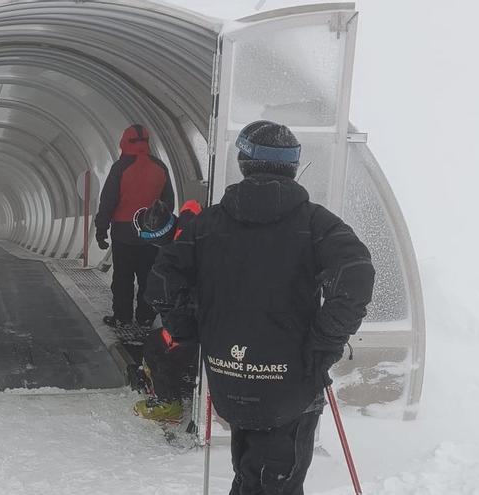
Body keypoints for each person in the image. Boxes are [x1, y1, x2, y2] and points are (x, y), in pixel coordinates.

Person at [146, 120, 375, 494]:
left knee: (252, 473)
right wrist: (325, 341)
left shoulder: (207, 224)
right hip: (290, 382)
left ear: (244, 162)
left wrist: (190, 328)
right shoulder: (315, 223)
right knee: (276, 482)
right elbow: (356, 273)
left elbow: (162, 279)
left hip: (228, 376)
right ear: (292, 166)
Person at [95, 124, 174, 331]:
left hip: (123, 233)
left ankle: (122, 317)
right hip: (152, 234)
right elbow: (168, 203)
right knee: (148, 278)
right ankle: (146, 317)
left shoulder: (120, 168)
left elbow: (108, 202)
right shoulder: (160, 167)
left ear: (124, 141)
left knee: (123, 277)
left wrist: (101, 229)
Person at [130, 199, 202, 423]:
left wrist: (174, 336)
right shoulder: (190, 227)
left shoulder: (166, 267)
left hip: (202, 322)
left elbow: (178, 326)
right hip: (220, 307)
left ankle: (169, 403)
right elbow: (192, 206)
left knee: (156, 348)